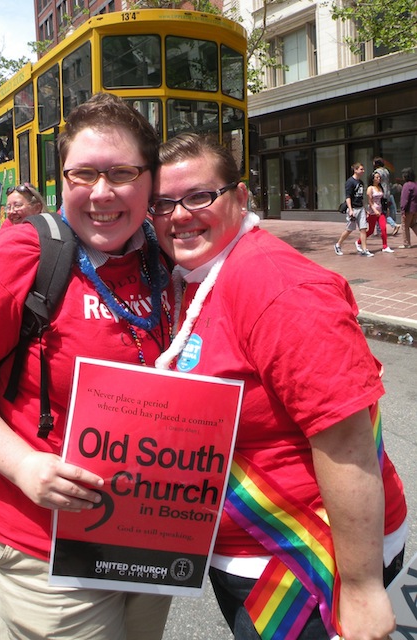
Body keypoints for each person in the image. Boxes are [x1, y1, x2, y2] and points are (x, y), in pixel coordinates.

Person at [0, 93, 173, 640]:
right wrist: (23, 466)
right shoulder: (20, 255)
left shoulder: (169, 257)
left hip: (157, 537)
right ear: (64, 181)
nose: (101, 193)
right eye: (83, 174)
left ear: (151, 181)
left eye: (122, 173)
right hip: (44, 549)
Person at [151, 133, 407, 640]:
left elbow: (347, 442)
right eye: (162, 203)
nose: (178, 214)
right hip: (249, 551)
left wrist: (360, 587)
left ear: (242, 198)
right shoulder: (195, 276)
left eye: (200, 196)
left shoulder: (281, 289)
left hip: (308, 565)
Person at [334, 162, 373, 256]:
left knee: (363, 229)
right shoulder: (350, 182)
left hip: (360, 208)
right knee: (349, 229)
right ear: (355, 170)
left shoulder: (361, 183)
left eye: (363, 169)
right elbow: (348, 196)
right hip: (353, 209)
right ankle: (338, 244)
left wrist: (365, 208)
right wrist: (350, 209)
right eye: (361, 169)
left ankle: (364, 249)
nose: (363, 171)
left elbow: (361, 197)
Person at [359, 171, 394, 253]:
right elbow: (370, 201)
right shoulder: (370, 188)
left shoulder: (380, 187)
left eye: (379, 177)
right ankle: (359, 242)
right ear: (373, 179)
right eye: (377, 177)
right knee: (370, 230)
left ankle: (385, 246)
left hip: (380, 210)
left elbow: (382, 200)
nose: (379, 179)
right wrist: (374, 209)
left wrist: (386, 209)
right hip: (372, 211)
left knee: (383, 228)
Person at [373, 157, 400, 236]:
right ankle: (381, 229)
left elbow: (375, 182)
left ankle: (388, 226)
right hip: (387, 193)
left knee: (380, 212)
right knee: (384, 211)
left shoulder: (377, 172)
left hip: (380, 193)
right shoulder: (386, 171)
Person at [398, 166, 417, 249]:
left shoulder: (406, 185)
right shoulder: (415, 185)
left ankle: (406, 243)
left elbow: (404, 199)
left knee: (405, 226)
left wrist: (403, 210)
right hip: (415, 209)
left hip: (408, 209)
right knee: (413, 224)